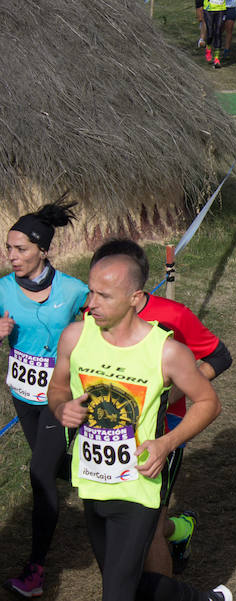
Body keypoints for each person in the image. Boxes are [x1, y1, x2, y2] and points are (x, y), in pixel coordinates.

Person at [47, 254, 229, 601]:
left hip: (137, 486)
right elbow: (56, 388)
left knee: (116, 593)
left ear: (135, 298)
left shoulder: (166, 351)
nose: (91, 303)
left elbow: (209, 403)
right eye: (91, 292)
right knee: (129, 582)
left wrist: (166, 444)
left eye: (104, 296)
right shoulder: (74, 336)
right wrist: (61, 407)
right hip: (90, 480)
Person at [88, 240, 233, 578]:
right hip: (110, 435)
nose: (95, 300)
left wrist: (177, 388)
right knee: (120, 517)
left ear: (134, 289)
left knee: (150, 528)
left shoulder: (173, 315)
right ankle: (180, 529)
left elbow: (220, 355)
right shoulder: (92, 313)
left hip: (164, 430)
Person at [1, 199, 88, 598]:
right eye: (9, 248)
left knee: (39, 474)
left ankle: (35, 570)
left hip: (59, 396)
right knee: (53, 468)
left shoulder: (73, 290)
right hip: (23, 394)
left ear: (43, 250)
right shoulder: (2, 288)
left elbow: (101, 323)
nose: (12, 256)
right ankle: (106, 483)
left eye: (20, 249)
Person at [203, 0, 228, 68]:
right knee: (210, 33)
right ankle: (208, 47)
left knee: (218, 32)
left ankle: (216, 59)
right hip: (208, 9)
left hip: (221, 9)